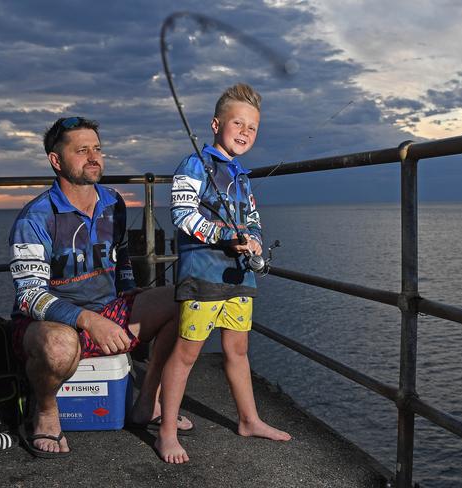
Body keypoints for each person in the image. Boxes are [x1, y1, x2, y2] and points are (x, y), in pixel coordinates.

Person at [9, 116, 192, 457]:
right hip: (51, 325)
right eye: (81, 150)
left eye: (97, 148)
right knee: (60, 345)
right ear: (56, 160)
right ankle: (46, 412)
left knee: (184, 302)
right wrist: (91, 321)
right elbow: (29, 296)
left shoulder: (113, 203)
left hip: (107, 311)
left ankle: (147, 402)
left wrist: (128, 293)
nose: (94, 157)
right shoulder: (35, 218)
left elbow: (121, 258)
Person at [156, 83, 291, 463]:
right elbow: (181, 216)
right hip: (202, 274)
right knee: (186, 353)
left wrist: (254, 241)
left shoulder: (242, 177)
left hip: (239, 278)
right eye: (238, 123)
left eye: (253, 128)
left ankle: (249, 420)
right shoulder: (193, 165)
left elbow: (254, 220)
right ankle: (166, 431)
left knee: (238, 350)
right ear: (217, 124)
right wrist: (224, 235)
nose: (245, 132)